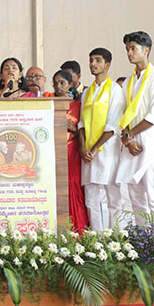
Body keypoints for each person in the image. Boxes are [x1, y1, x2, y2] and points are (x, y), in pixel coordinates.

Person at [115, 31, 154, 224]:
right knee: (135, 195)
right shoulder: (128, 82)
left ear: (146, 50)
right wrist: (127, 140)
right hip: (131, 143)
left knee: (153, 193)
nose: (129, 53)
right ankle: (142, 236)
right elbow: (122, 114)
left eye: (133, 48)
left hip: (150, 143)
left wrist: (130, 134)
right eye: (127, 49)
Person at [78, 48, 125, 230]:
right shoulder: (86, 92)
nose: (93, 64)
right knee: (91, 199)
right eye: (91, 60)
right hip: (88, 154)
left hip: (107, 151)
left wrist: (94, 148)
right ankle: (97, 239)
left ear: (107, 64)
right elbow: (81, 123)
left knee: (113, 198)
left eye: (97, 60)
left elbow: (113, 125)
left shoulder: (115, 90)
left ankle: (117, 237)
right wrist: (83, 148)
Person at [53, 69, 88, 231]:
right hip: (56, 154)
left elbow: (86, 130)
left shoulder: (79, 105)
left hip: (72, 152)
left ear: (70, 85)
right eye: (55, 83)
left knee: (74, 189)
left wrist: (73, 128)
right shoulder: (51, 105)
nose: (58, 87)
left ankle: (79, 229)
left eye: (62, 83)